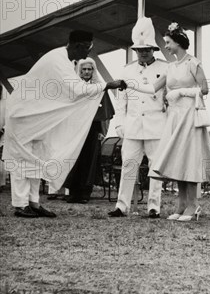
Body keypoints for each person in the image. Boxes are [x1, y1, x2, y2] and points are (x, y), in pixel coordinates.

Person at [2, 30, 125, 218]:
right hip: (22, 117)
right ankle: (20, 205)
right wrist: (107, 85)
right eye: (87, 49)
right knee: (21, 161)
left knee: (36, 158)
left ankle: (33, 203)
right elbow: (76, 90)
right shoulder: (57, 60)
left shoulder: (63, 60)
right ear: (78, 46)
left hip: (37, 118)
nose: (86, 55)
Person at [128, 22, 210, 222]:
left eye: (168, 43)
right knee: (178, 160)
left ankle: (193, 206)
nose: (166, 46)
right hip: (174, 117)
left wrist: (181, 92)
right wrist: (129, 84)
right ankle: (181, 204)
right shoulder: (170, 67)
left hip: (189, 115)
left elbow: (204, 89)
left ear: (178, 43)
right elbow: (153, 88)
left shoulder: (193, 63)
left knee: (189, 159)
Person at [108, 17, 168, 219]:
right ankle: (121, 206)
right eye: (140, 50)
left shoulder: (165, 68)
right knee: (128, 166)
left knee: (156, 168)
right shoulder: (127, 70)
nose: (143, 52)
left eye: (147, 49)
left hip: (156, 126)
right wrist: (119, 124)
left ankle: (154, 206)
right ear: (135, 51)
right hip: (132, 126)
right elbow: (121, 101)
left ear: (153, 49)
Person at [64, 58, 114, 203]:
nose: (86, 72)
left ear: (93, 70)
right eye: (84, 69)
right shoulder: (73, 87)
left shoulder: (99, 87)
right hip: (75, 128)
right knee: (74, 160)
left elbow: (105, 111)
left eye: (89, 69)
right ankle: (73, 193)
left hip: (92, 129)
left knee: (89, 161)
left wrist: (102, 131)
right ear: (79, 71)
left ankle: (85, 193)